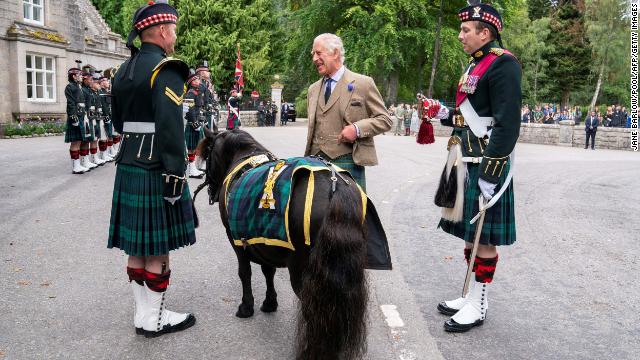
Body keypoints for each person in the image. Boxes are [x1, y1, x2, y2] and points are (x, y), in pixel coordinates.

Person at [422, 2, 521, 332]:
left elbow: (507, 124)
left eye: (467, 30)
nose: (461, 34)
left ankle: (478, 303)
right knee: (469, 233)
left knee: (484, 238)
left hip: (485, 163)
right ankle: (470, 294)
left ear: (486, 32)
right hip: (464, 159)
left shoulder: (504, 65)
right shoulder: (474, 66)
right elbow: (468, 116)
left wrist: (492, 175)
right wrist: (440, 112)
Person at [108, 0, 196, 338]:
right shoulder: (167, 68)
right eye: (173, 30)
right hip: (158, 166)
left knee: (136, 248)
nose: (174, 36)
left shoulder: (124, 70)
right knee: (158, 248)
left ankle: (143, 314)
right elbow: (171, 127)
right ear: (161, 31)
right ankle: (156, 319)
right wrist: (177, 172)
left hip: (129, 161)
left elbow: (118, 121)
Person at [304, 33, 391, 191]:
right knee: (314, 214)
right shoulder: (313, 89)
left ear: (335, 52)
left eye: (318, 53)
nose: (314, 59)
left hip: (348, 164)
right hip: (315, 164)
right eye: (313, 54)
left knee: (351, 215)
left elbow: (385, 119)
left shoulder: (363, 83)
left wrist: (357, 129)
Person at [64, 65, 89, 174]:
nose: (81, 77)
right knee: (75, 142)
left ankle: (79, 164)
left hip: (81, 116)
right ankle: (75, 166)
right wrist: (73, 117)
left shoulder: (79, 87)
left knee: (79, 141)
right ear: (73, 76)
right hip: (75, 117)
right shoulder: (70, 87)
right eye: (79, 75)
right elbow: (71, 103)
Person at [184, 72, 205, 178]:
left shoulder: (196, 92)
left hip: (196, 122)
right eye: (196, 80)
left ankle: (193, 168)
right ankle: (191, 170)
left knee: (194, 147)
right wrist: (194, 123)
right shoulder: (191, 93)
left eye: (198, 80)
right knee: (191, 148)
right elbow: (189, 110)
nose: (198, 82)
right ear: (191, 82)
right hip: (192, 124)